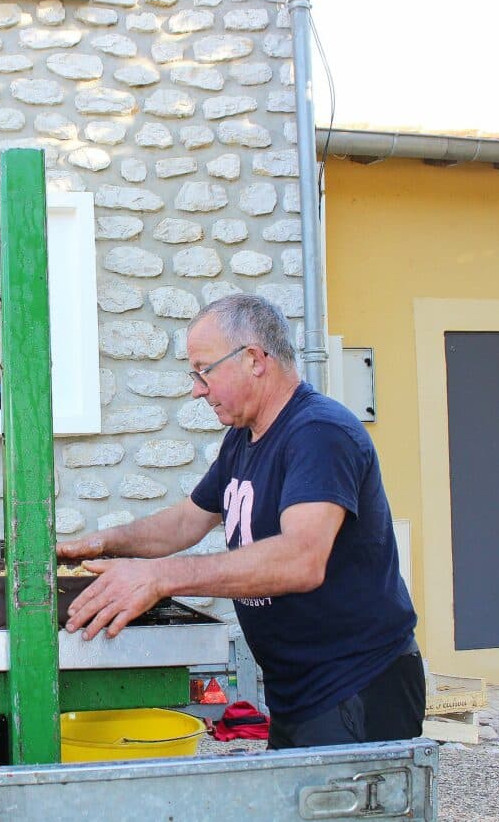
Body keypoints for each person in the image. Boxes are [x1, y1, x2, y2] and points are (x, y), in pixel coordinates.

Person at [60, 294, 424, 750]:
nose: (197, 388)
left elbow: (301, 560)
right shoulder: (242, 439)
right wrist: (101, 544)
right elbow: (185, 522)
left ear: (253, 359)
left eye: (203, 370)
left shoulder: (319, 433)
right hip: (297, 692)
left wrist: (160, 578)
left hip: (357, 686)